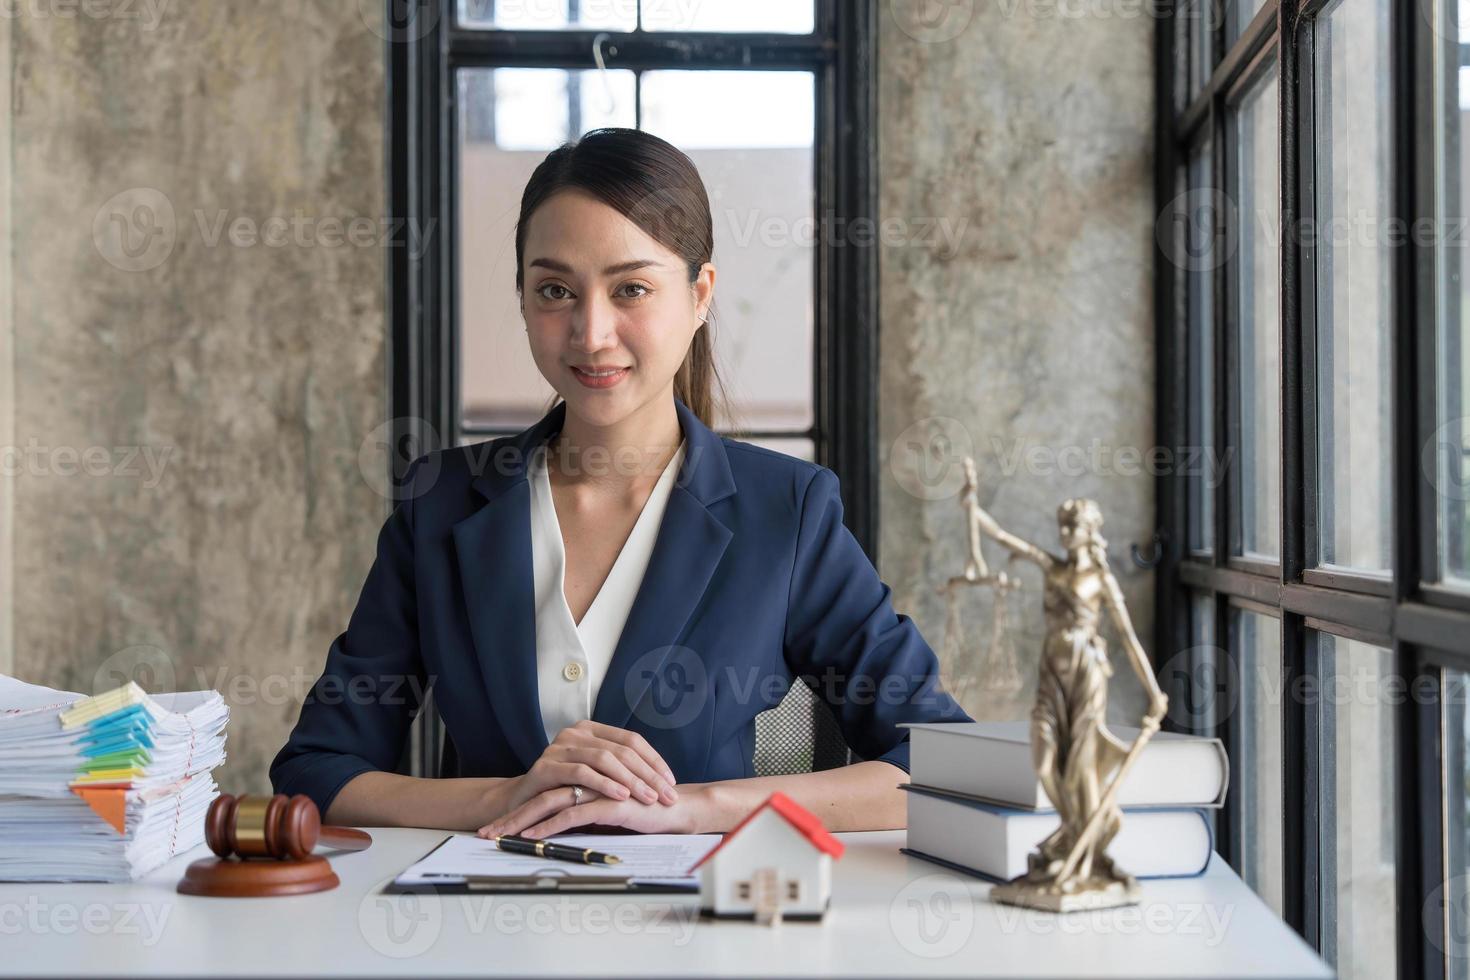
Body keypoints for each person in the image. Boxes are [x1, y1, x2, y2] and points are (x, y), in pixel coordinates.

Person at [269, 127, 970, 837]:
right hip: (480, 932)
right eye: (554, 291)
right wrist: (502, 797)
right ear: (521, 298)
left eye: (631, 288)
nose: (591, 331)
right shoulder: (441, 507)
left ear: (700, 296)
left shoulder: (786, 514)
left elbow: (943, 763)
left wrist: (698, 807)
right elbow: (316, 771)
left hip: (700, 934)